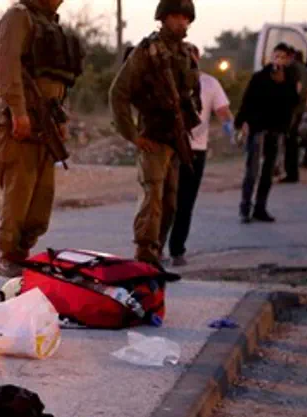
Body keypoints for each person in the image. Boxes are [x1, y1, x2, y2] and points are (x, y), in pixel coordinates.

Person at [0, 0, 84, 277]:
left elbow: (56, 79)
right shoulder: (19, 16)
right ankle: (8, 254)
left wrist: (62, 118)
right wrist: (18, 111)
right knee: (19, 192)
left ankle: (22, 252)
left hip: (47, 121)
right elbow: (6, 65)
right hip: (21, 119)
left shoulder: (50, 24)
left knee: (41, 199)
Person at [109, 0, 201, 268]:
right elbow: (118, 93)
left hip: (176, 137)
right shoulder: (147, 52)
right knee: (153, 197)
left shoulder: (186, 54)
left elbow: (193, 95)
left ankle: (157, 248)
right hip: (153, 136)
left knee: (170, 202)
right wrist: (132, 135)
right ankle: (145, 252)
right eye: (175, 17)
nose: (181, 23)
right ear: (163, 18)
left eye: (185, 18)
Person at [167, 45, 233, 267]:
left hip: (196, 150)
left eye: (191, 58)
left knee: (185, 202)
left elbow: (223, 111)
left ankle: (177, 250)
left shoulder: (209, 83)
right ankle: (152, 248)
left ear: (198, 59)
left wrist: (229, 127)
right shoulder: (169, 80)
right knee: (165, 200)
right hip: (170, 148)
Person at [235, 43, 300, 223]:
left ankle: (260, 208)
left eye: (282, 57)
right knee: (252, 171)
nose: (278, 60)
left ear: (287, 60)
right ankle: (245, 208)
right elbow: (247, 101)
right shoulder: (259, 77)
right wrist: (241, 122)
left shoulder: (290, 80)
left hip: (276, 129)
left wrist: (284, 84)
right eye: (276, 56)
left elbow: (293, 103)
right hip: (258, 129)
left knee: (268, 171)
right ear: (271, 57)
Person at [282, 49, 307, 183]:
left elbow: (297, 85)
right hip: (301, 108)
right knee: (292, 139)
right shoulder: (304, 68)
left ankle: (291, 174)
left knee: (289, 141)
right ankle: (292, 173)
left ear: (291, 56)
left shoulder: (292, 67)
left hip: (291, 109)